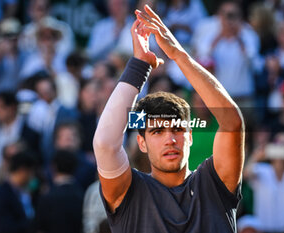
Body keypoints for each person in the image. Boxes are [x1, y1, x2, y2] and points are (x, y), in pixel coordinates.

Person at [93, 5, 244, 233]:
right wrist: (139, 65)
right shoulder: (130, 192)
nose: (170, 139)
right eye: (157, 131)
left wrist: (178, 55)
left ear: (190, 136)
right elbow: (105, 143)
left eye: (177, 129)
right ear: (141, 142)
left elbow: (232, 124)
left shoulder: (213, 183)